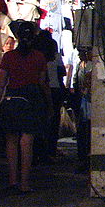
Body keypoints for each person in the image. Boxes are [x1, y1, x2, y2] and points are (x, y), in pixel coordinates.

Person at [0, 21, 50, 193]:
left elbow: (1, 82)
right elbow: (42, 83)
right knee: (27, 142)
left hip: (12, 100)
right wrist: (48, 104)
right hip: (31, 100)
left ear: (18, 37)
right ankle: (25, 183)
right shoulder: (39, 57)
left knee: (11, 141)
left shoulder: (8, 57)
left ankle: (13, 181)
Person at [36, 30, 66, 163]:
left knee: (40, 122)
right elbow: (62, 73)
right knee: (53, 122)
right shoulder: (55, 55)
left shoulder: (35, 55)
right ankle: (50, 151)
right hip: (55, 90)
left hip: (39, 91)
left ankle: (39, 151)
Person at [73, 47, 93, 172]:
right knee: (82, 129)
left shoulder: (92, 66)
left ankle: (87, 158)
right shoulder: (80, 65)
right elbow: (77, 80)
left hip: (90, 102)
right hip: (83, 101)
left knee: (88, 130)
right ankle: (82, 156)